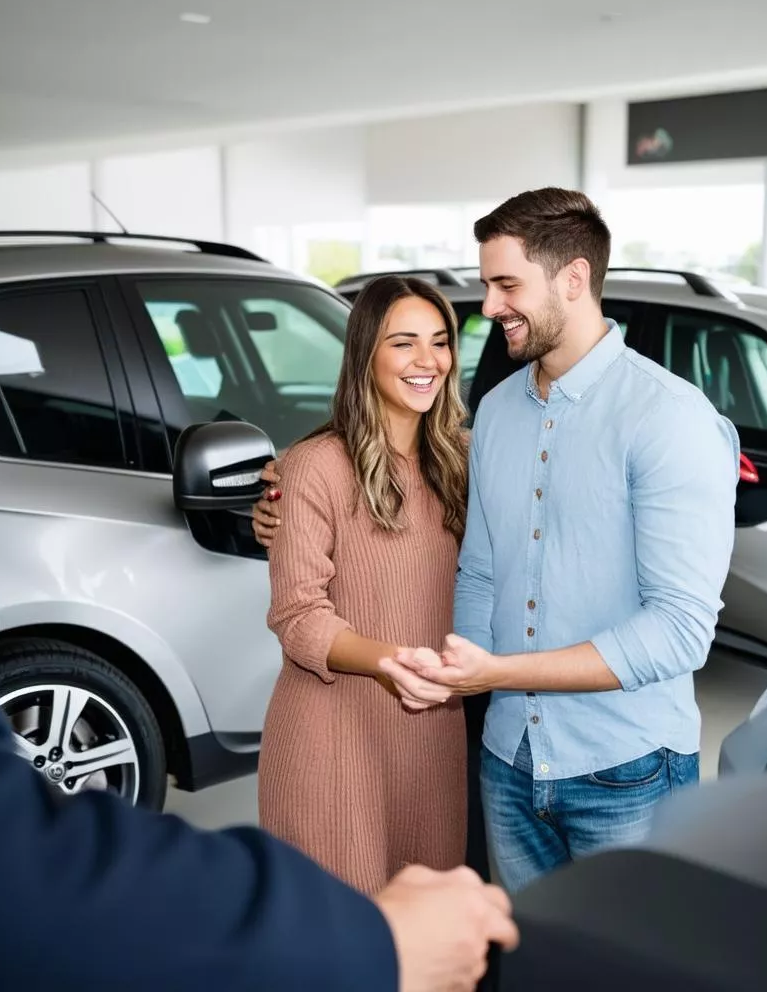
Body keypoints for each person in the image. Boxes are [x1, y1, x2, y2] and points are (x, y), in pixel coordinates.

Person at [254, 189, 739, 895]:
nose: (488, 307)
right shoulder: (501, 419)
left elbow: (680, 630)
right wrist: (278, 498)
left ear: (573, 279)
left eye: (506, 285)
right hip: (503, 760)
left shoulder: (665, 419)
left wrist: (489, 675)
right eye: (485, 286)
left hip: (625, 768)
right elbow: (478, 572)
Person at [0, 616, 518, 991]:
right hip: (354, 729)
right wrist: (369, 944)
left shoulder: (467, 460)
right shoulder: (310, 468)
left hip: (446, 736)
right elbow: (0, 869)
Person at [258, 274, 470, 895]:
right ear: (365, 354)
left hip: (432, 740)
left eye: (439, 341)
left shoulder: (467, 461)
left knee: (425, 948)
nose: (426, 361)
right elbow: (297, 613)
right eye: (403, 343)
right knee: (337, 947)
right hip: (333, 739)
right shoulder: (314, 466)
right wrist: (391, 660)